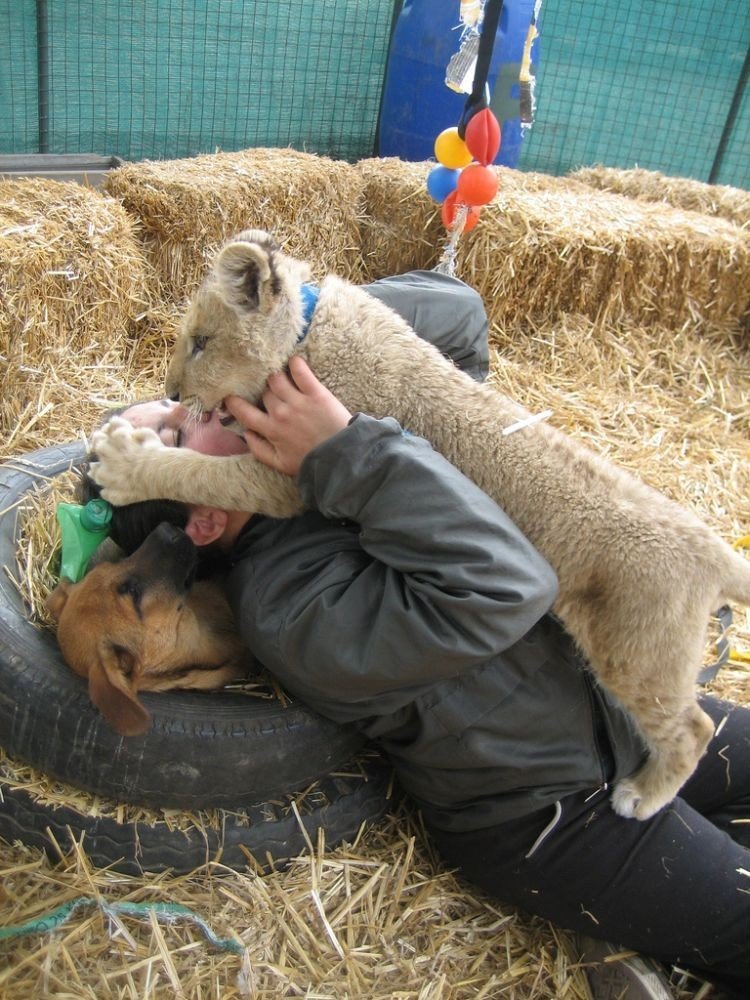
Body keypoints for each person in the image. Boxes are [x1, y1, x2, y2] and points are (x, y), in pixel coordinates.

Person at [82, 272, 749, 999]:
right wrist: (344, 451)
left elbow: (459, 317)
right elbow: (511, 590)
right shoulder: (289, 605)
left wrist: (283, 322)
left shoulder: (307, 479)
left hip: (615, 719)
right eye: (179, 431)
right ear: (204, 515)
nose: (203, 399)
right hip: (548, 811)